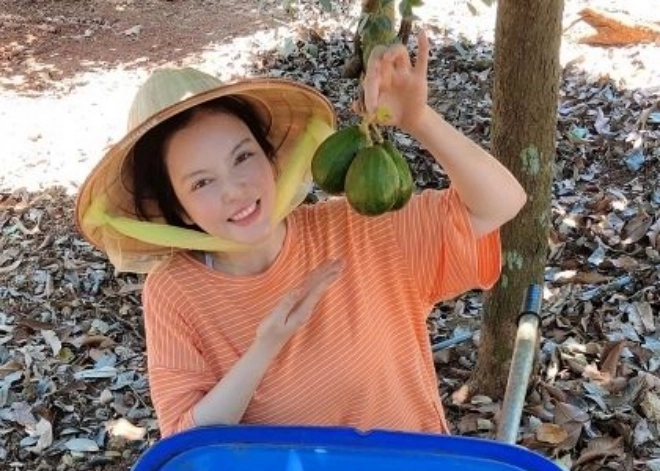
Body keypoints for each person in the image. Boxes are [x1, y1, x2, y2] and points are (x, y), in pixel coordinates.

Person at [76, 31, 526, 438]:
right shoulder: (175, 292)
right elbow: (186, 440)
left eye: (242, 157)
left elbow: (501, 203)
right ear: (177, 208)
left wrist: (419, 120)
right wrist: (266, 345)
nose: (236, 191)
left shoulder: (358, 227)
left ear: (271, 158)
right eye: (201, 183)